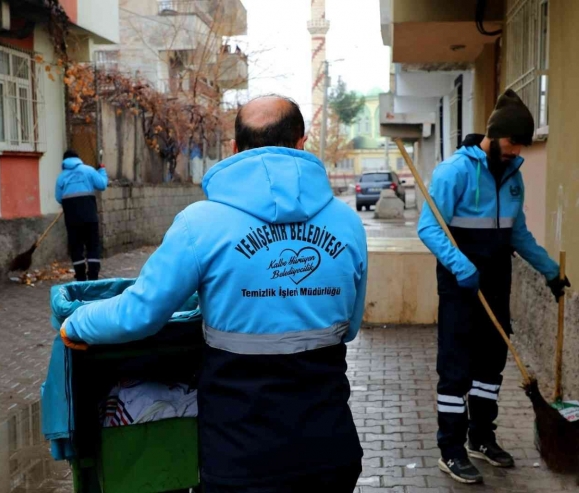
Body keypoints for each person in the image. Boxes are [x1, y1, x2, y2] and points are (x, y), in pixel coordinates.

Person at [60, 96, 368, 492]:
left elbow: (139, 315)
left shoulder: (199, 225)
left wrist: (78, 320)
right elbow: (352, 326)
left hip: (240, 456)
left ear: (235, 148)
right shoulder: (347, 224)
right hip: (331, 451)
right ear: (302, 143)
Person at [417, 89, 570, 485]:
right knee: (455, 369)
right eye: (511, 141)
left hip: (498, 284)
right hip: (460, 285)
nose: (516, 150)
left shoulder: (513, 177)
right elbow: (428, 227)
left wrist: (549, 270)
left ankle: (481, 438)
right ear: (494, 134)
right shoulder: (455, 172)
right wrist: (459, 265)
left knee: (490, 367)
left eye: (521, 144)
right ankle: (450, 450)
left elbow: (518, 234)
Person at [55, 150, 108, 281]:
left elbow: (58, 198)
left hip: (72, 219)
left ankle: (80, 277)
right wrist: (102, 171)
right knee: (92, 245)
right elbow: (102, 185)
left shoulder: (61, 177)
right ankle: (93, 276)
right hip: (90, 217)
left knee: (76, 247)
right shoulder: (89, 171)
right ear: (78, 158)